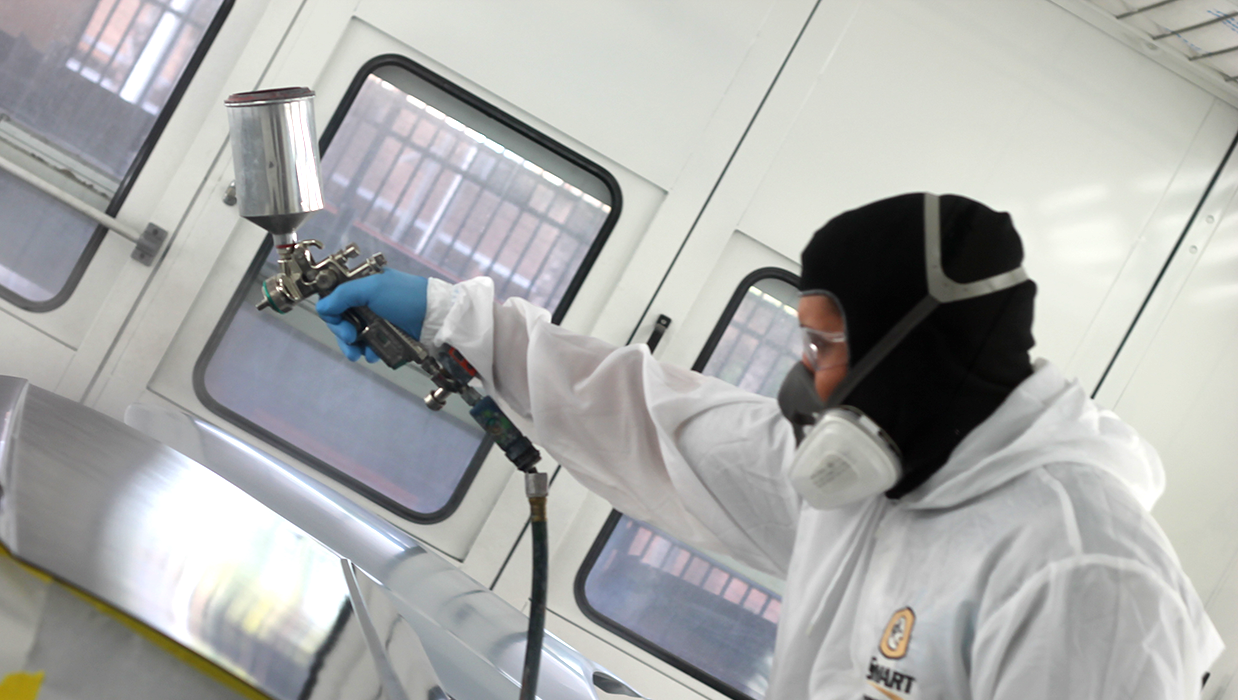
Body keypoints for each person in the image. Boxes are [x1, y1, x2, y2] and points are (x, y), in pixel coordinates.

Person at [315, 193, 1223, 699]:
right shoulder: (881, 487)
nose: (804, 376)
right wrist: (457, 323)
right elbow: (659, 421)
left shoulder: (1083, 574)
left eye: (825, 345)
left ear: (920, 353)